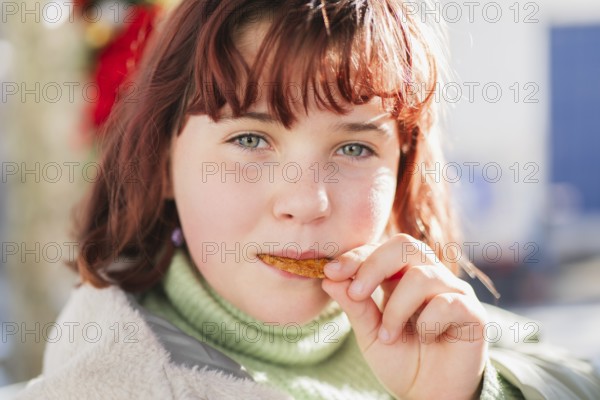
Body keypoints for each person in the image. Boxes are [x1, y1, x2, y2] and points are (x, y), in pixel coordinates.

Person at [15, 0, 600, 399]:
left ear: (402, 170)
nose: (306, 201)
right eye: (249, 138)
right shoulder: (107, 379)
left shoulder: (448, 331)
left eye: (353, 149)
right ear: (162, 164)